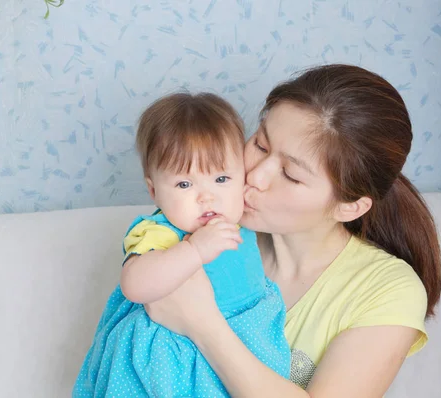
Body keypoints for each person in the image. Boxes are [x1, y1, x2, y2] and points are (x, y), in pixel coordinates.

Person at [144, 64, 441, 397]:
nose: (256, 176)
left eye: (290, 174)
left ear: (349, 206)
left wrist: (203, 325)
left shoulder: (387, 290)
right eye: (259, 144)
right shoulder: (204, 231)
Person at [73, 93, 291, 397]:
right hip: (174, 357)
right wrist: (194, 251)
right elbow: (134, 285)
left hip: (243, 340)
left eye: (222, 178)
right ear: (154, 191)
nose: (206, 196)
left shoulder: (244, 222)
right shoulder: (163, 231)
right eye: (184, 184)